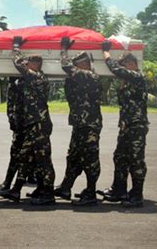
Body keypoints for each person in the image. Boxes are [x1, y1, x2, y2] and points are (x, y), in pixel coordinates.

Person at [0, 36, 55, 205]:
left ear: (35, 64)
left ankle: (48, 194)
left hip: (39, 124)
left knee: (43, 160)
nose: (26, 64)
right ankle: (15, 190)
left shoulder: (38, 78)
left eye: (29, 62)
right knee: (25, 157)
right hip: (32, 124)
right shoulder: (30, 80)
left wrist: (16, 46)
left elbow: (17, 63)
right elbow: (16, 88)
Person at [98, 40, 149, 208]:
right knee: (120, 157)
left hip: (136, 125)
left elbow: (115, 68)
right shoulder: (128, 80)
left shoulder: (137, 77)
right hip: (126, 125)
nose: (121, 69)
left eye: (124, 65)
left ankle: (137, 194)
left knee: (136, 159)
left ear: (131, 64)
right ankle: (119, 190)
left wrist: (106, 53)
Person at [54, 37, 103, 206]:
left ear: (84, 64)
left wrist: (63, 49)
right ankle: (65, 187)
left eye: (77, 64)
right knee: (73, 156)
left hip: (89, 125)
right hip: (79, 124)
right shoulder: (78, 78)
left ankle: (90, 192)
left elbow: (65, 66)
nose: (74, 67)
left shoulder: (90, 76)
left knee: (90, 159)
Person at [0, 77, 25, 193]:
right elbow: (11, 104)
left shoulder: (23, 81)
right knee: (15, 154)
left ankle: (14, 187)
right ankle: (7, 183)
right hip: (18, 124)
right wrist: (11, 120)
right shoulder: (13, 83)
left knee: (23, 156)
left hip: (26, 124)